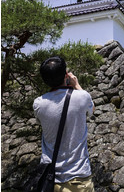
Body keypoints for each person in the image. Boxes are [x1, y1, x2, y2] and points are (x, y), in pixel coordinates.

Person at [33, 56, 95, 192]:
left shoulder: (38, 104)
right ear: (66, 74)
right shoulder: (82, 97)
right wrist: (76, 84)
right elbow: (92, 109)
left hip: (50, 181)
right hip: (79, 179)